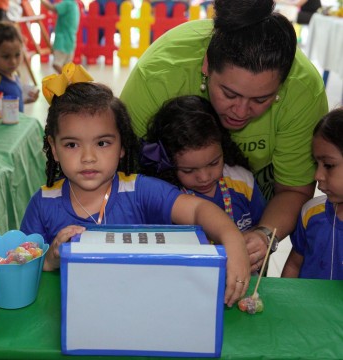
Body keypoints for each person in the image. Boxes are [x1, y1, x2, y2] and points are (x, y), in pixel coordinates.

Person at [119, 0, 328, 274]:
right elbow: (122, 179)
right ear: (206, 66)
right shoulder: (158, 77)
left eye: (261, 99)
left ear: (283, 84)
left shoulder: (303, 91)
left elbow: (293, 189)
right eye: (229, 94)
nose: (241, 112)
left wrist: (263, 235)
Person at [20, 75, 250, 306]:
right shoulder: (42, 203)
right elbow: (20, 269)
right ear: (54, 148)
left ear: (122, 145)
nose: (88, 158)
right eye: (72, 145)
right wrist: (50, 260)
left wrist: (233, 241)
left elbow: (199, 209)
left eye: (102, 143)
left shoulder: (140, 191)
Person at [140, 96, 266, 241]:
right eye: (189, 171)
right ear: (169, 164)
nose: (204, 177)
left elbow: (262, 225)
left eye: (214, 163)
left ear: (223, 147)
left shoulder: (243, 182)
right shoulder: (166, 198)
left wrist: (256, 239)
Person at [282, 108, 343, 279]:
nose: (317, 176)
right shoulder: (311, 213)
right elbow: (294, 264)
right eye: (316, 164)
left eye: (329, 165)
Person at [0, 21, 39, 112]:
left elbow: (10, 102)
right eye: (6, 57)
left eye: (17, 54)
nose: (13, 62)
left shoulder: (14, 74)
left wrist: (25, 100)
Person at [40, 0, 80, 73]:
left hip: (63, 41)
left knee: (56, 64)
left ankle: (68, 81)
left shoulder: (67, 3)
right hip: (70, 41)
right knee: (65, 66)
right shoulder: (74, 4)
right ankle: (67, 81)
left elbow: (52, 8)